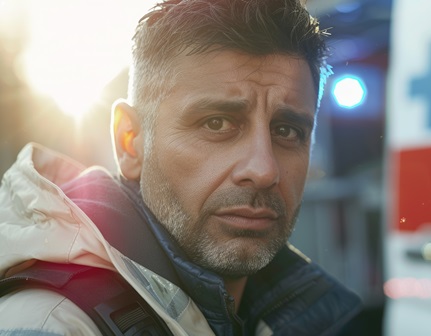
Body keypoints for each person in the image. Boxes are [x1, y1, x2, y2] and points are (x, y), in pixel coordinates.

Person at [0, 0, 362, 335]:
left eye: (287, 131)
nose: (264, 169)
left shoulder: (301, 316)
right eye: (217, 123)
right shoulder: (53, 324)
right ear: (131, 141)